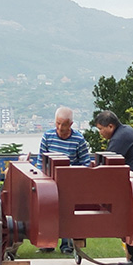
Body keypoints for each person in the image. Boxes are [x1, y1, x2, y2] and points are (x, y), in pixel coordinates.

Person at [94, 109, 133, 265]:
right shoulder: (125, 132)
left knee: (131, 216)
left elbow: (108, 164)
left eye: (101, 129)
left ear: (111, 126)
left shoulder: (119, 138)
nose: (100, 133)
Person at [36, 106, 91, 255]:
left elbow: (86, 163)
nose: (60, 128)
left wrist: (72, 173)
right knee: (47, 211)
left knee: (67, 212)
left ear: (71, 124)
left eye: (64, 124)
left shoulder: (78, 139)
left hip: (70, 184)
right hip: (49, 182)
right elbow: (41, 161)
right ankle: (47, 243)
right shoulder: (48, 136)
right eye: (58, 123)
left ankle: (67, 246)